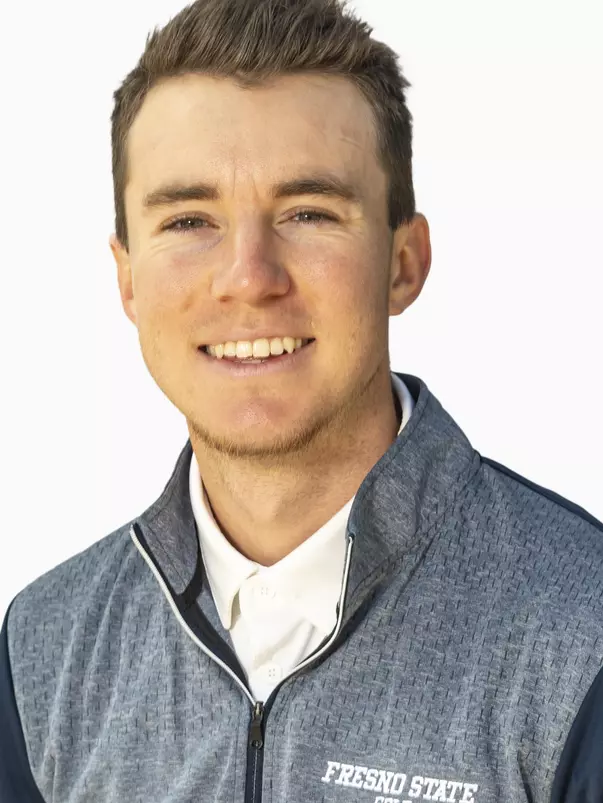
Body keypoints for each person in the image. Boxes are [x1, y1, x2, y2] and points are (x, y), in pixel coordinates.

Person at [1, 0, 601, 800]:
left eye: (308, 212)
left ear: (403, 263)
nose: (249, 276)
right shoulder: (43, 646)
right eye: (189, 219)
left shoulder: (579, 629)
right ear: (127, 279)